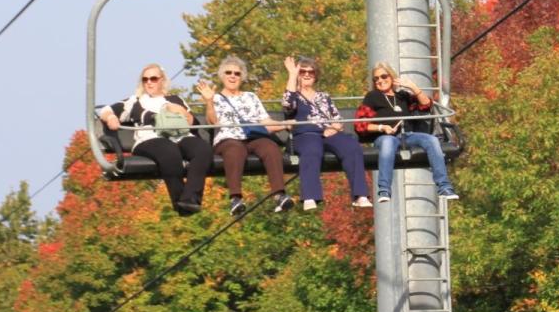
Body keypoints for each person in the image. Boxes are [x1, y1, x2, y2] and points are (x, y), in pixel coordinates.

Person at [98, 62, 211, 215]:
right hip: (150, 138)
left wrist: (182, 112)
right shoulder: (135, 101)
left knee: (202, 149)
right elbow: (106, 110)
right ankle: (180, 201)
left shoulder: (176, 100)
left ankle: (190, 198)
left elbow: (192, 124)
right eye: (145, 79)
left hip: (180, 135)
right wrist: (111, 117)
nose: (149, 82)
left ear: (162, 80)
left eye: (153, 78)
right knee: (169, 151)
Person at [196, 56, 294, 216]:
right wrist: (209, 102)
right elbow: (213, 122)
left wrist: (285, 124)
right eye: (229, 72)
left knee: (270, 146)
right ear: (222, 76)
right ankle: (235, 198)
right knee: (235, 149)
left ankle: (279, 194)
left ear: (242, 77)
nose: (232, 76)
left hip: (252, 136)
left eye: (237, 73)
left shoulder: (251, 97)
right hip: (228, 139)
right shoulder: (215, 98)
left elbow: (265, 121)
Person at [355, 63, 458, 202]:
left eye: (384, 76)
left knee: (432, 140)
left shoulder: (403, 96)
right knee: (387, 143)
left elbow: (425, 106)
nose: (380, 80)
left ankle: (444, 187)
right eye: (376, 79)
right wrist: (382, 127)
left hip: (407, 135)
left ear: (392, 77)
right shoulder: (372, 97)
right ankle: (384, 190)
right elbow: (360, 124)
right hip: (385, 137)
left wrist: (413, 87)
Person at [282, 56, 372, 211]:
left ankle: (360, 195)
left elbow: (337, 120)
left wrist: (334, 128)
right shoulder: (294, 95)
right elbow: (287, 105)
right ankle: (310, 196)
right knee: (312, 148)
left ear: (316, 75)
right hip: (305, 134)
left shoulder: (324, 97)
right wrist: (292, 74)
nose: (307, 74)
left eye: (311, 72)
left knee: (351, 146)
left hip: (328, 133)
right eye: (303, 71)